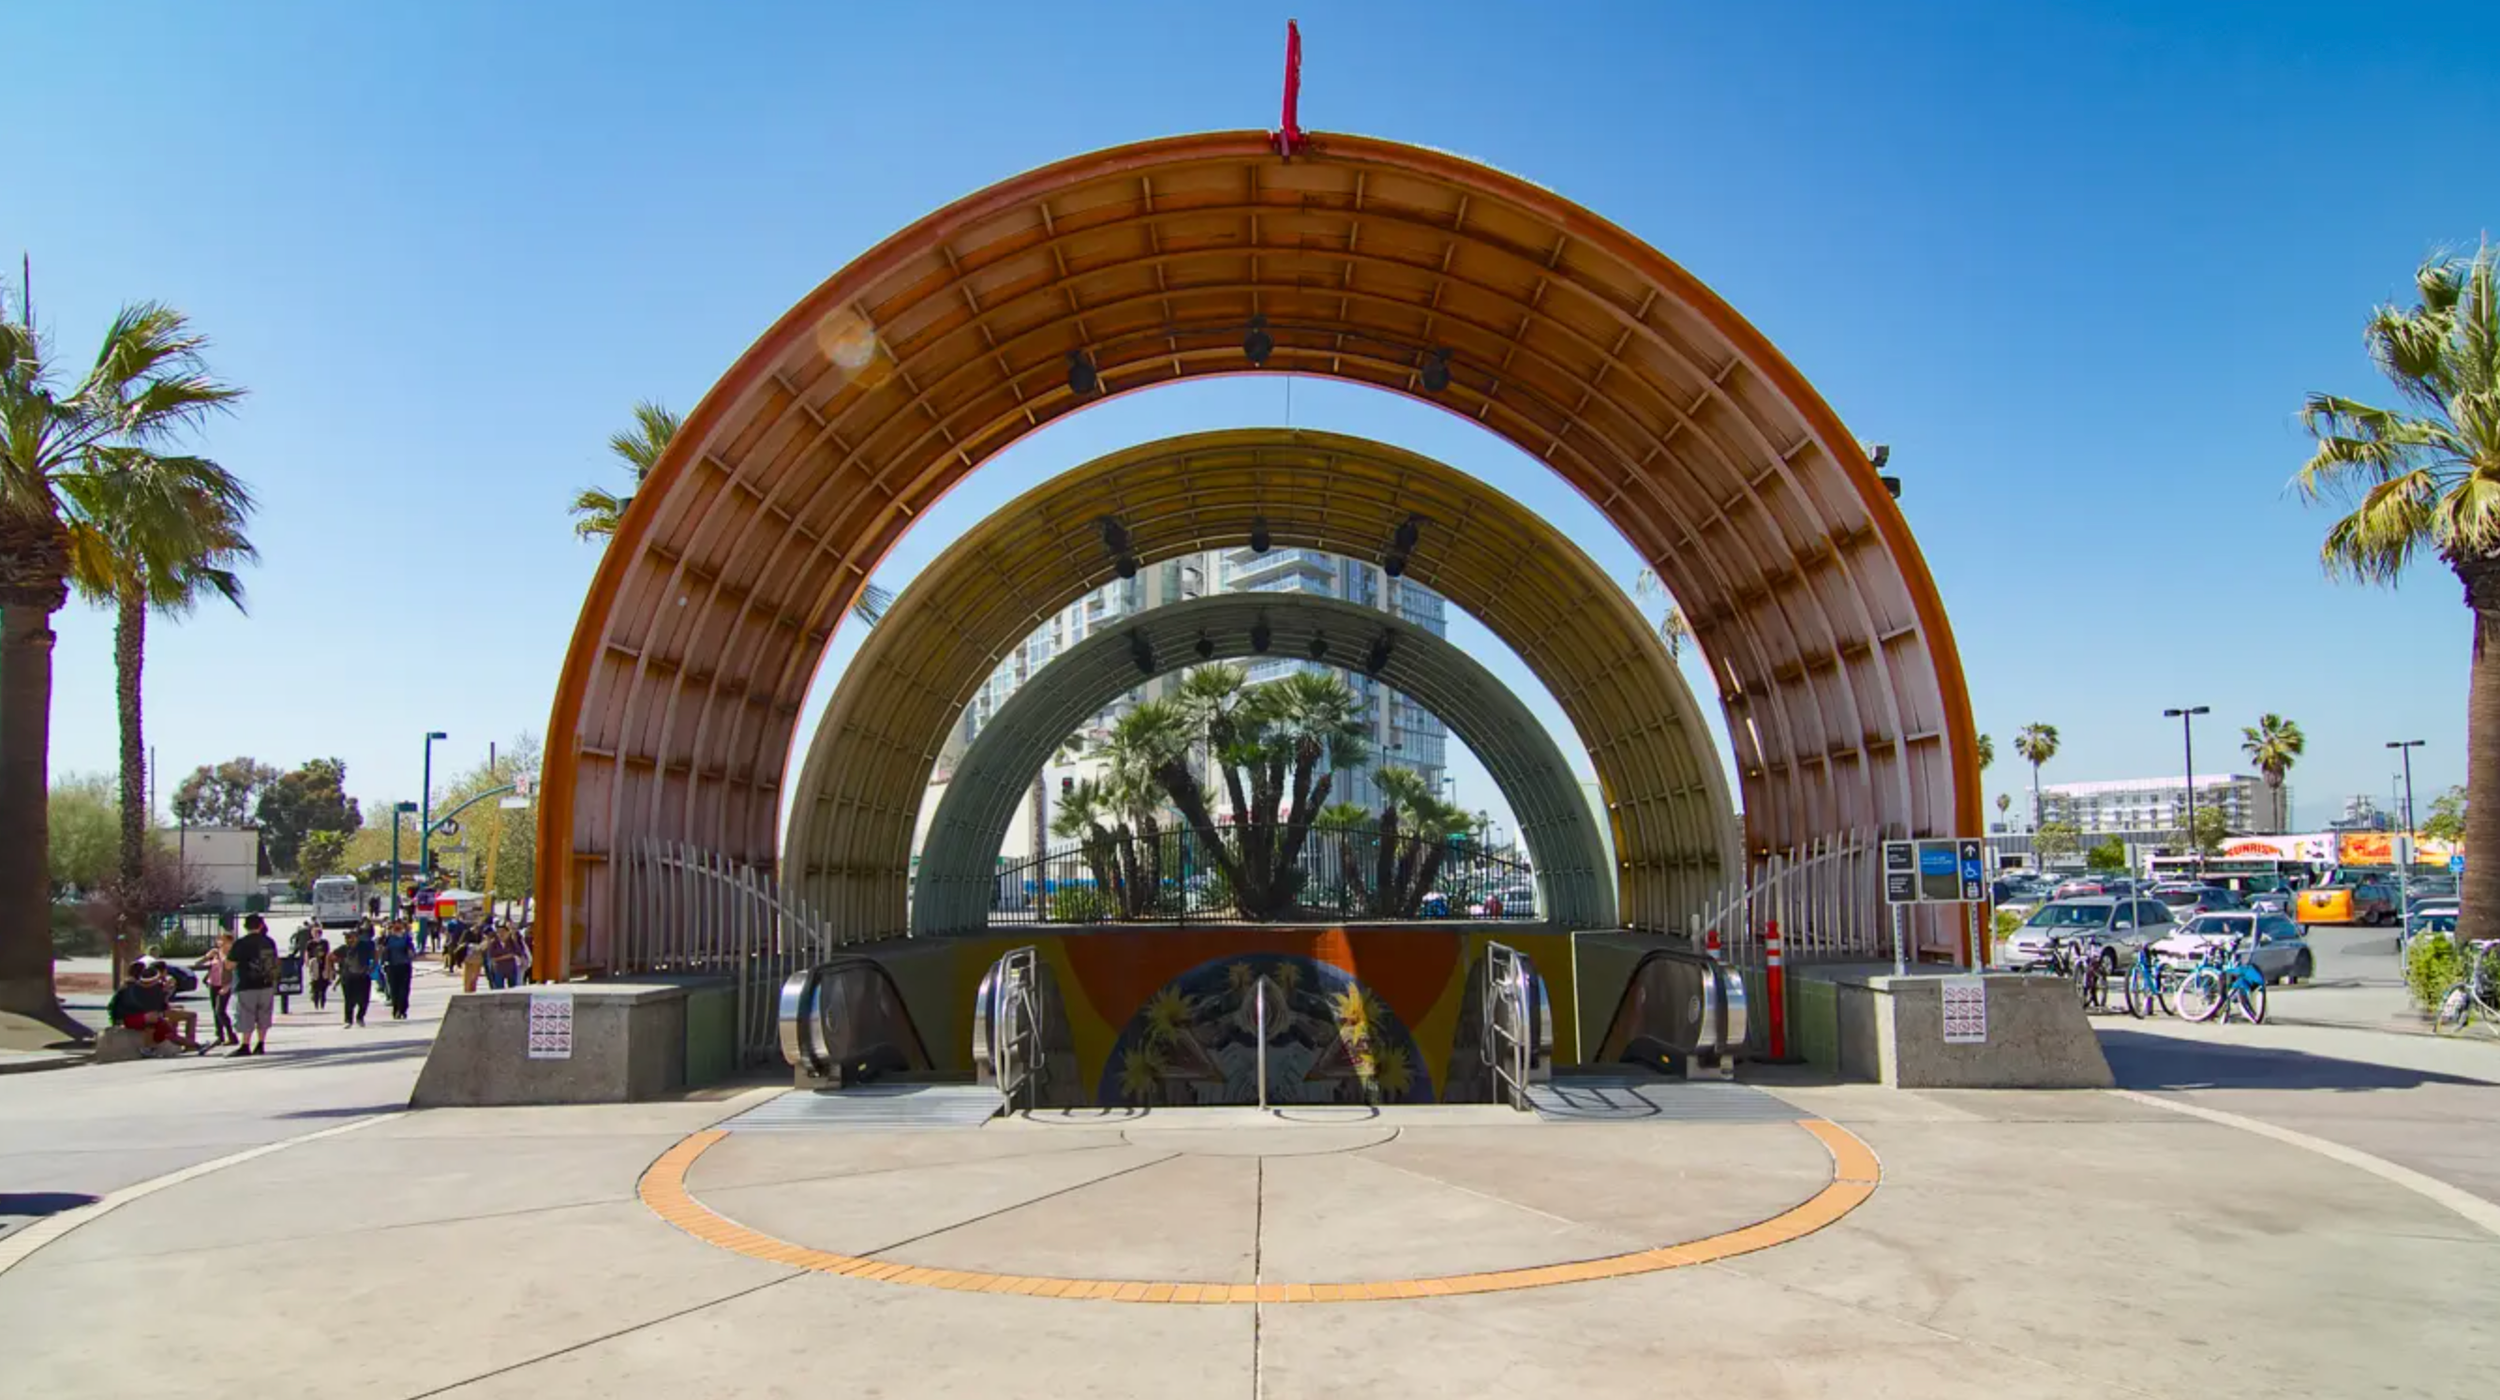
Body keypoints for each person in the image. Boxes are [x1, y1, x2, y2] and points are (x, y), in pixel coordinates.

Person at [109, 959, 206, 1055]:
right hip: (129, 1018)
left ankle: (195, 1045)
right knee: (156, 1020)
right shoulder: (131, 987)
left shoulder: (137, 985)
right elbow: (138, 1005)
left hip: (140, 1016)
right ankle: (193, 1045)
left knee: (165, 1030)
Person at [227, 914, 281, 1057]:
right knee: (264, 1014)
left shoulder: (241, 943)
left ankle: (245, 1044)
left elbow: (230, 964)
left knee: (246, 1014)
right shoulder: (269, 942)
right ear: (261, 925)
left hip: (246, 984)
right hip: (266, 983)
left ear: (245, 926)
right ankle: (261, 1044)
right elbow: (274, 962)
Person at [195, 931, 238, 1047]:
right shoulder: (215, 953)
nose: (221, 943)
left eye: (224, 940)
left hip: (225, 984)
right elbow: (198, 963)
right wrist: (206, 957)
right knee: (215, 1010)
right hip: (213, 983)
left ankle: (231, 1035)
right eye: (219, 940)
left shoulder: (232, 955)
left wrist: (228, 985)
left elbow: (235, 972)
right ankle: (220, 1035)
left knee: (220, 1010)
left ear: (230, 942)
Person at [332, 923, 375, 1027]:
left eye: (350, 937)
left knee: (364, 1000)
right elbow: (330, 957)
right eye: (347, 938)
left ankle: (360, 1017)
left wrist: (373, 966)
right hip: (348, 977)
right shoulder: (343, 948)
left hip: (363, 976)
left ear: (356, 937)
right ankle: (348, 1020)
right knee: (349, 1000)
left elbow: (376, 954)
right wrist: (332, 970)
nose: (348, 939)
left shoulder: (364, 946)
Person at [381, 919, 416, 1020]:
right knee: (394, 989)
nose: (397, 928)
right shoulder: (388, 939)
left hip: (404, 966)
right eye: (395, 926)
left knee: (404, 989)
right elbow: (383, 951)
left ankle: (402, 1009)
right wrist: (383, 963)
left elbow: (411, 952)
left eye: (399, 926)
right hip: (392, 967)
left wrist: (410, 952)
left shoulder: (406, 938)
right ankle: (396, 1009)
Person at [484, 924, 522, 991]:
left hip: (511, 968)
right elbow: (492, 957)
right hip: (499, 968)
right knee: (499, 988)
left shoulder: (512, 943)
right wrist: (507, 956)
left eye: (503, 932)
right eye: (498, 932)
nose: (501, 934)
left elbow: (517, 953)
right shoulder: (493, 944)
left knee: (513, 988)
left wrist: (510, 956)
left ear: (507, 933)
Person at [304, 924, 333, 1010]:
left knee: (324, 983)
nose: (315, 934)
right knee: (315, 983)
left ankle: (323, 1001)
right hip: (314, 965)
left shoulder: (325, 943)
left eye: (317, 933)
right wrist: (307, 964)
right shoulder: (310, 943)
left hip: (324, 964)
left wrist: (329, 966)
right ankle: (315, 1000)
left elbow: (328, 953)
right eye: (314, 933)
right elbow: (307, 954)